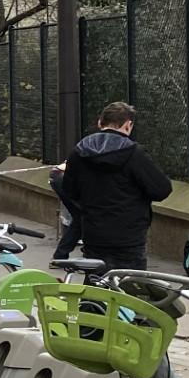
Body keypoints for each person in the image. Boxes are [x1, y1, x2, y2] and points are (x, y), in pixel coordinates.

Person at [60, 101, 173, 270]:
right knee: (129, 286)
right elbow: (162, 189)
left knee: (95, 281)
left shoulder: (80, 152)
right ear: (128, 125)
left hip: (94, 232)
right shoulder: (133, 153)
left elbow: (69, 189)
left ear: (100, 122)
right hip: (128, 235)